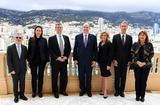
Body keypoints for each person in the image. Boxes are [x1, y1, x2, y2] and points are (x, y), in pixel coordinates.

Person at [73, 23, 98, 97]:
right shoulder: (78, 37)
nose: (85, 28)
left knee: (89, 77)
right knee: (81, 76)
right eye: (84, 27)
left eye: (87, 27)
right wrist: (75, 59)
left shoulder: (93, 37)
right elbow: (75, 48)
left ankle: (89, 91)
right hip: (80, 61)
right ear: (82, 28)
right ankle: (82, 90)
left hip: (90, 61)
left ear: (89, 28)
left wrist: (94, 60)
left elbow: (95, 50)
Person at [49, 23, 71, 98]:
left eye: (60, 27)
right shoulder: (51, 38)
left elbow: (69, 48)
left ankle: (63, 90)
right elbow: (50, 50)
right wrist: (57, 57)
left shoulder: (66, 37)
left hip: (64, 61)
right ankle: (55, 92)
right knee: (54, 77)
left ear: (62, 28)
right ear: (55, 29)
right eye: (57, 27)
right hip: (55, 61)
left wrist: (66, 57)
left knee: (64, 77)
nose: (59, 28)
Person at [131, 31, 154, 102]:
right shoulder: (135, 44)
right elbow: (132, 53)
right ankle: (137, 96)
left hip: (146, 66)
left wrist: (144, 63)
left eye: (143, 35)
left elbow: (151, 54)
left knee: (143, 81)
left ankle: (142, 96)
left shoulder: (149, 45)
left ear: (146, 37)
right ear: (138, 36)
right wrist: (137, 62)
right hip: (136, 65)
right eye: (140, 35)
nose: (142, 36)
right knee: (137, 81)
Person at [27, 26, 49, 98]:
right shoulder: (31, 39)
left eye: (40, 30)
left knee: (40, 77)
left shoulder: (44, 40)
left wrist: (47, 61)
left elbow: (46, 51)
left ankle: (40, 91)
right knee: (34, 77)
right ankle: (34, 92)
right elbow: (29, 50)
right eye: (37, 30)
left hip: (42, 61)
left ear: (41, 32)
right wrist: (28, 61)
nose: (38, 32)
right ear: (35, 31)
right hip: (33, 61)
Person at [112, 21, 132, 97]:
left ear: (127, 27)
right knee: (117, 77)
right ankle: (116, 91)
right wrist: (114, 60)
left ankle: (122, 91)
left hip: (125, 61)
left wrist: (129, 60)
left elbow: (130, 50)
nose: (123, 27)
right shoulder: (115, 37)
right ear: (120, 27)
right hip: (117, 61)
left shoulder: (130, 38)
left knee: (124, 77)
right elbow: (113, 50)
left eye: (125, 26)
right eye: (122, 26)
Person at [7, 33, 28, 103]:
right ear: (14, 38)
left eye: (20, 38)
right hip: (14, 70)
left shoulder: (24, 48)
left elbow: (26, 58)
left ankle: (22, 95)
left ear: (22, 39)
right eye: (17, 37)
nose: (18, 39)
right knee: (15, 83)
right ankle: (16, 96)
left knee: (22, 83)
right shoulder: (10, 48)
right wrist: (11, 69)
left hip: (23, 69)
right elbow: (8, 60)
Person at [98, 32, 113, 99]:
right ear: (101, 36)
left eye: (105, 35)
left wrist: (109, 64)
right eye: (102, 35)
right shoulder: (100, 43)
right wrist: (98, 62)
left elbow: (110, 55)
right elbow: (99, 53)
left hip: (106, 63)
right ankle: (102, 90)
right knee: (103, 77)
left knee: (105, 77)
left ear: (107, 36)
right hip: (101, 63)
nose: (104, 36)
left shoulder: (109, 44)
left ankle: (105, 92)